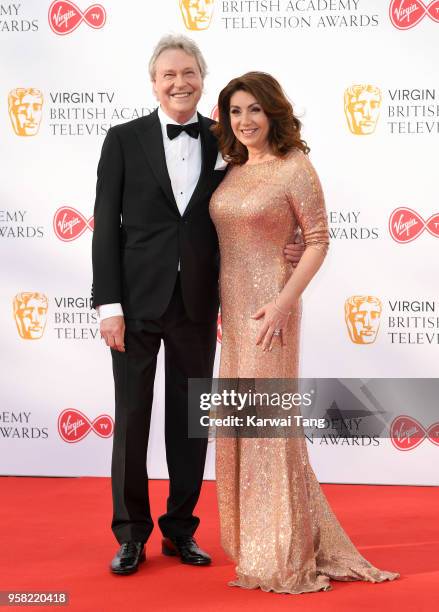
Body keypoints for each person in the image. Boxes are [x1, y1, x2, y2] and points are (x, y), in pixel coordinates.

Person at [91, 35, 303, 575]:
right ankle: (131, 535)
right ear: (153, 81)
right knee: (132, 419)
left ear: (202, 79)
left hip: (199, 304)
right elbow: (104, 229)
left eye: (188, 72)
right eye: (168, 74)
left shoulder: (226, 141)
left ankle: (180, 531)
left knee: (189, 422)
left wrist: (290, 240)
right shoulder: (122, 139)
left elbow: (255, 199)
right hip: (135, 304)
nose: (179, 82)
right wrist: (107, 304)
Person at [209, 72, 399, 594]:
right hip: (233, 315)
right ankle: (255, 542)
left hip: (272, 314)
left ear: (273, 113)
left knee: (270, 428)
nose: (245, 121)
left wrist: (282, 304)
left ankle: (283, 553)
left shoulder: (295, 168)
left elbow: (317, 239)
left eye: (254, 110)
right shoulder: (230, 168)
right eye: (235, 112)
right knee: (243, 425)